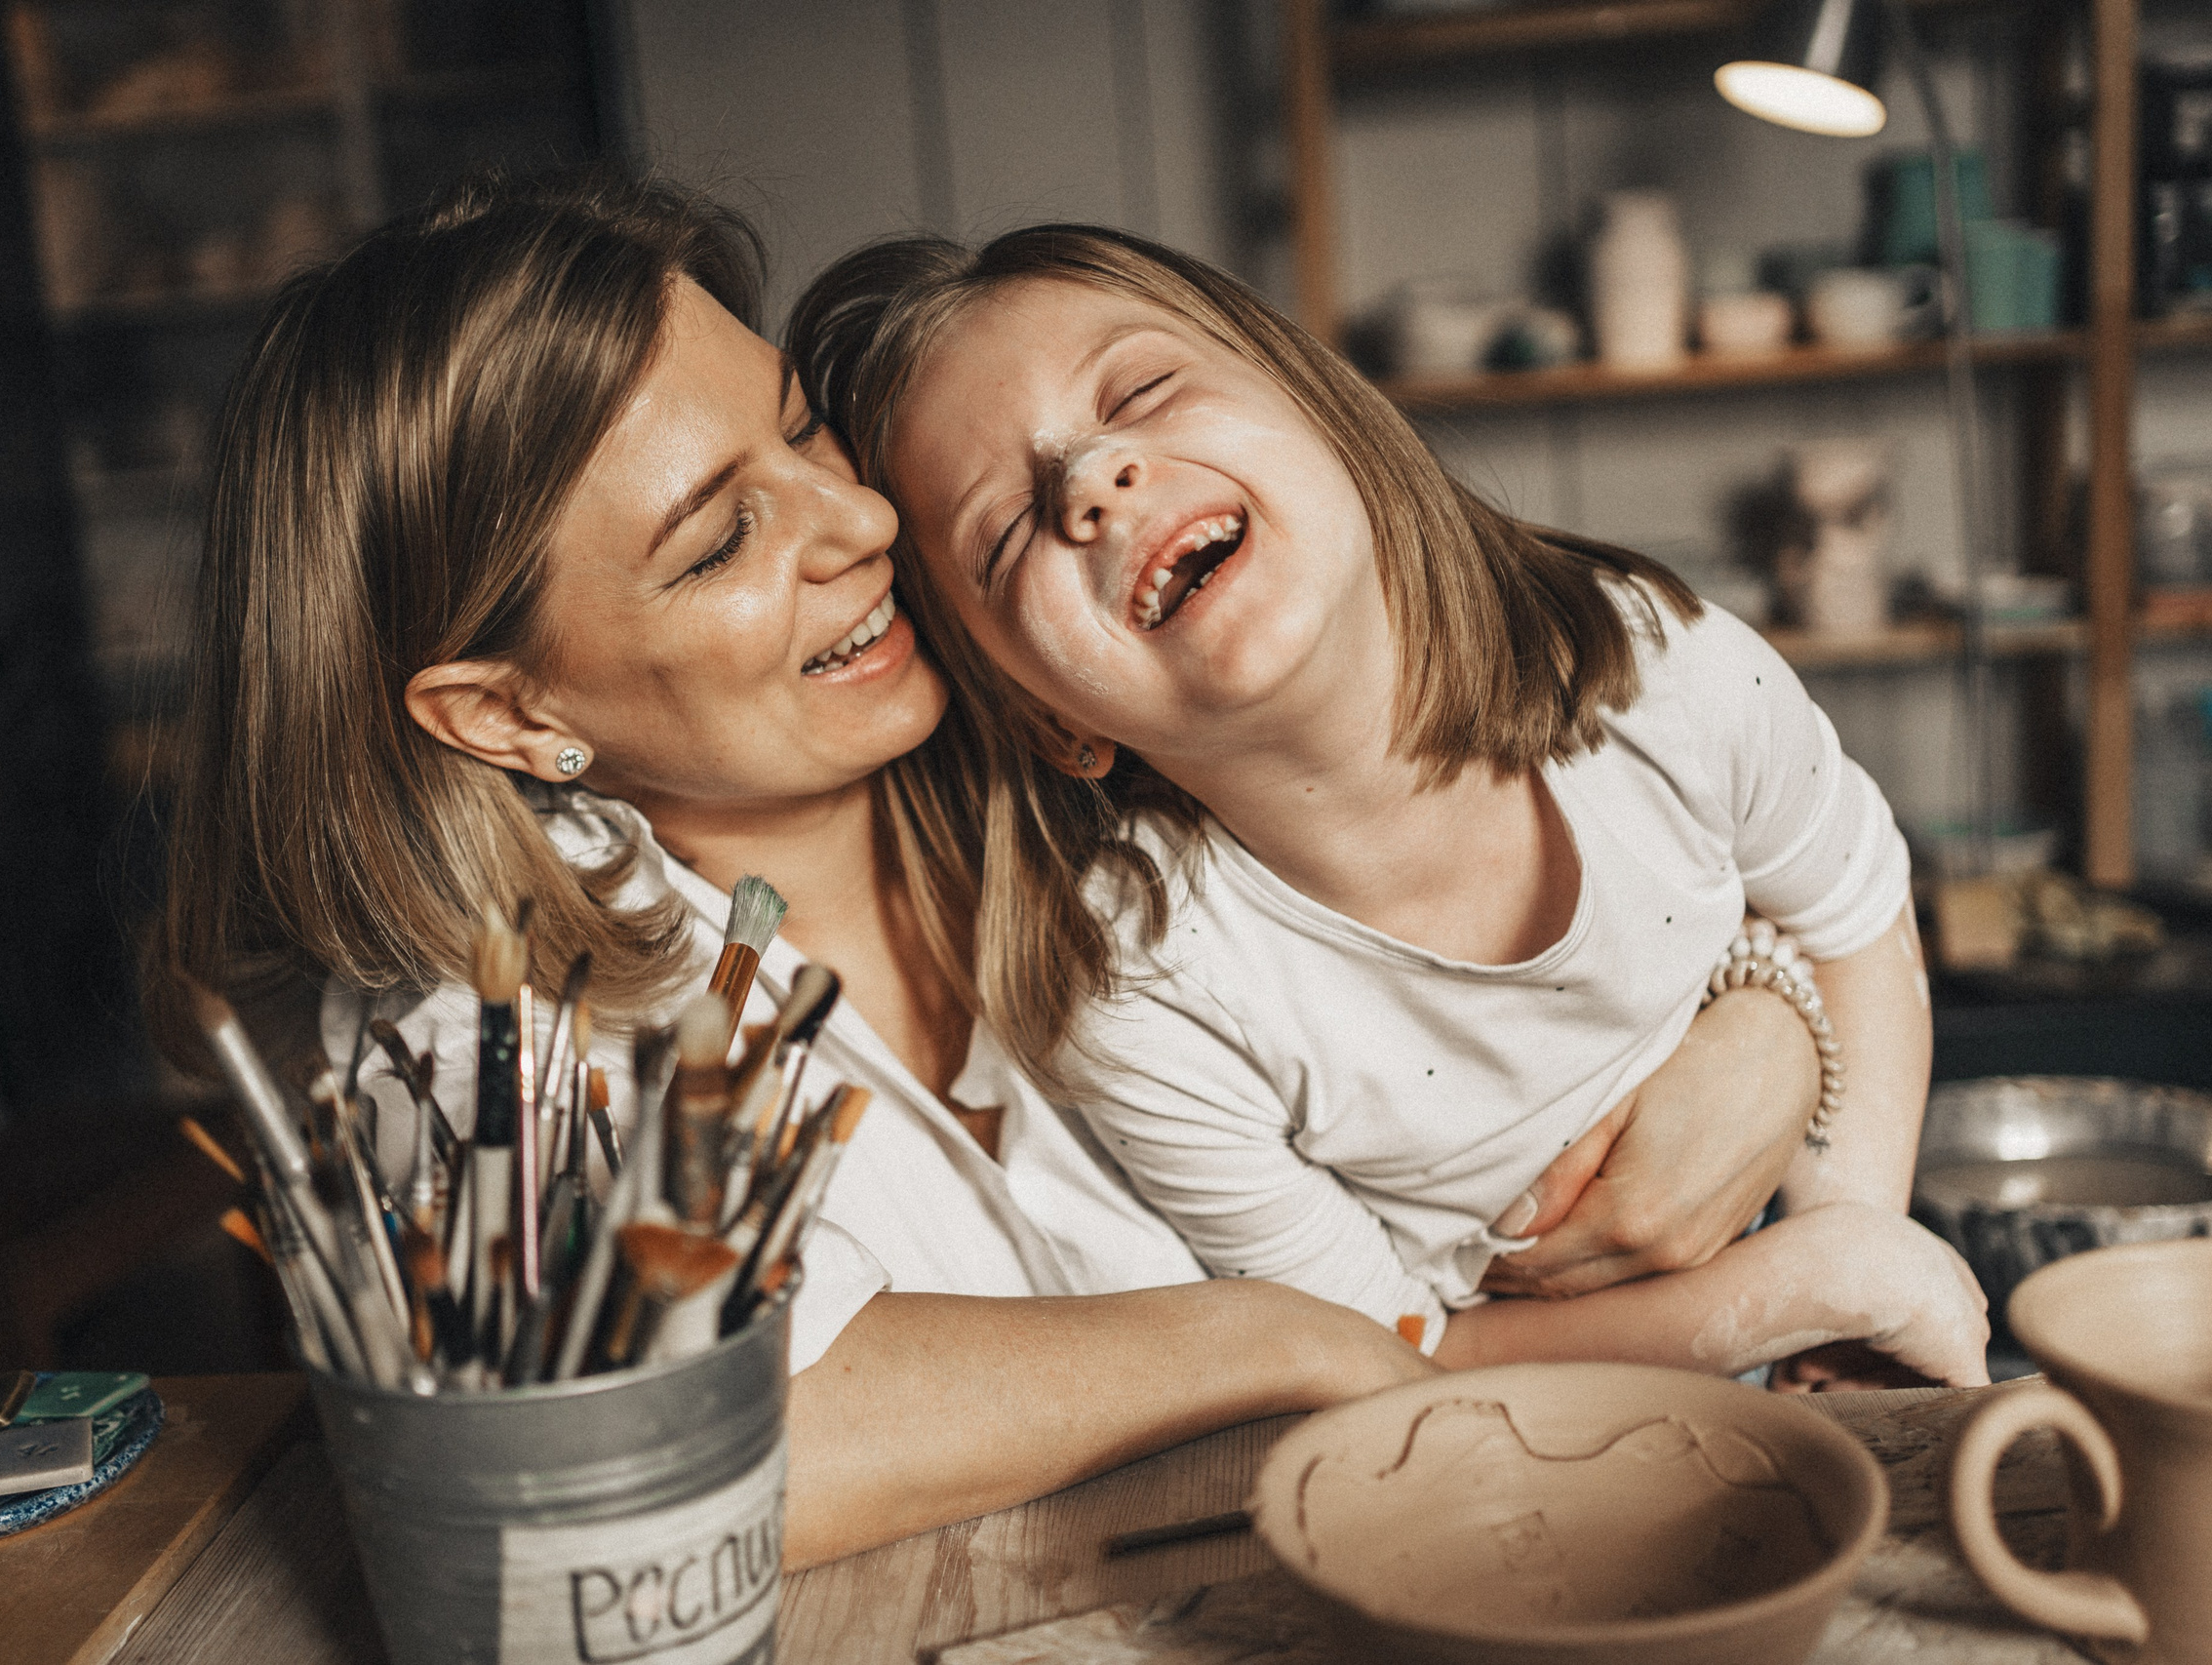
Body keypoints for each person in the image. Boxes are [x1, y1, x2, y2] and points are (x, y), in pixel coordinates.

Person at [152, 170, 1833, 1569]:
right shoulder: (473, 1039)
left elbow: (1655, 811)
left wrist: (1766, 1007)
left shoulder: (1094, 695)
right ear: (509, 710)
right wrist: (1278, 1341)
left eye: (808, 431)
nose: (852, 522)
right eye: (722, 537)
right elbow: (647, 1464)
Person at [789, 223, 1988, 1390]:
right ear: (1052, 716)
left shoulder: (1659, 669)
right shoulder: (1137, 991)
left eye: (1142, 390)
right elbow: (1387, 1350)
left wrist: (1852, 1259)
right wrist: (1807, 1286)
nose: (1092, 481)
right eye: (1003, 535)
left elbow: (1853, 910)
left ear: (1318, 407)